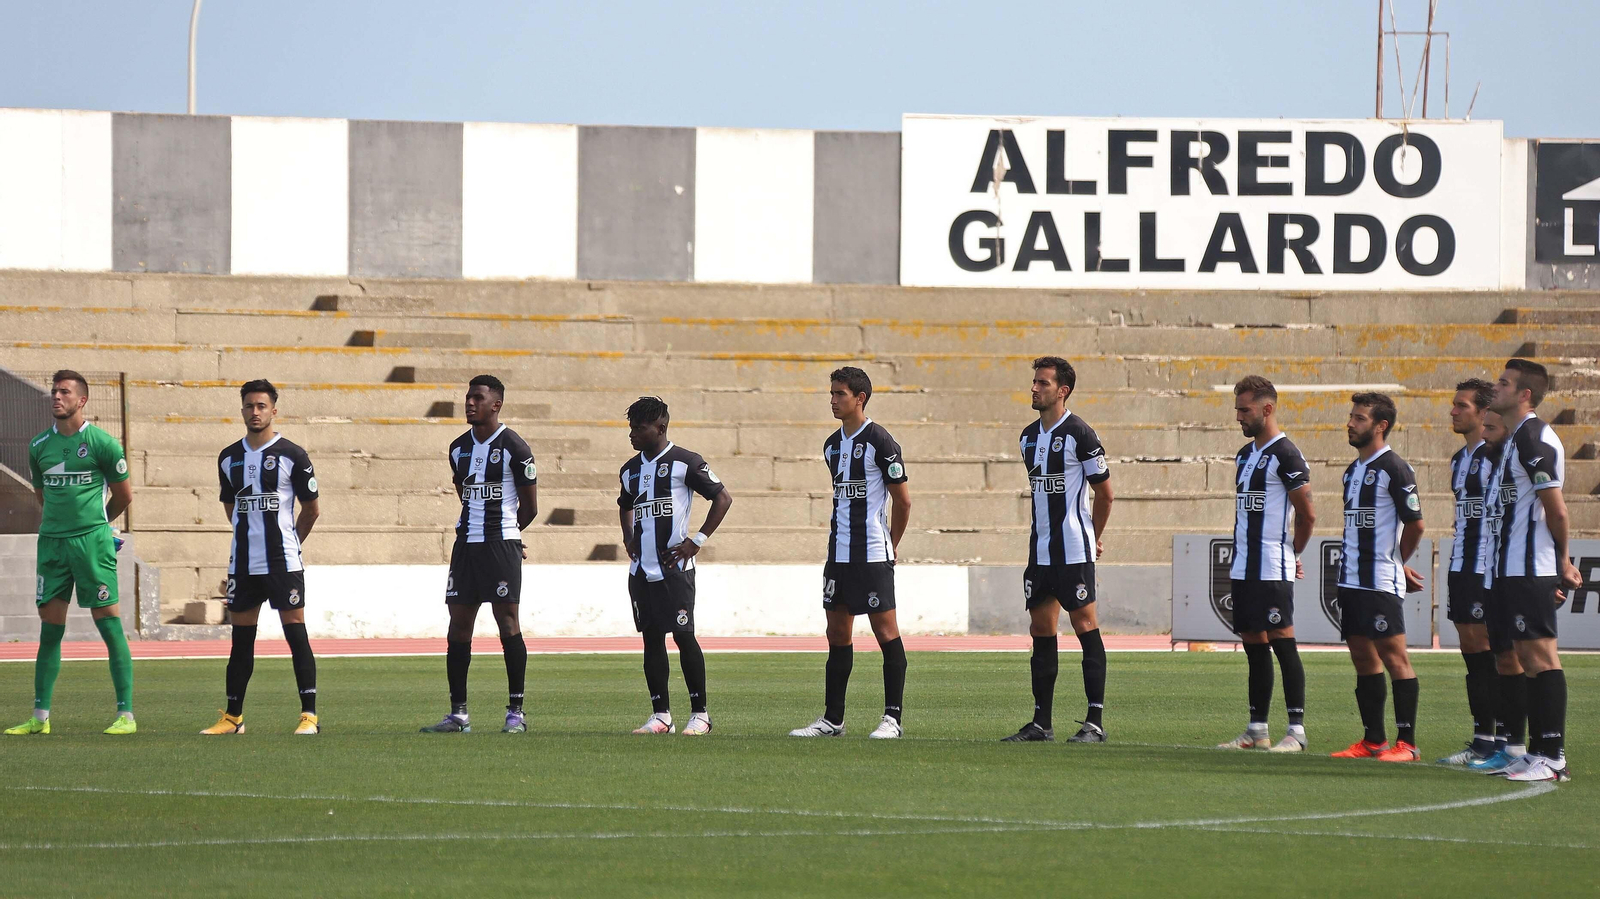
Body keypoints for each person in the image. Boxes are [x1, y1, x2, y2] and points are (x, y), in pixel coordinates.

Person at [6, 370, 136, 736]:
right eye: (54, 391)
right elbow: (42, 495)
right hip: (52, 544)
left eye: (64, 392)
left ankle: (126, 715)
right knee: (50, 629)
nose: (56, 397)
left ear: (82, 401)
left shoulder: (103, 444)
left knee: (108, 623)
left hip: (92, 543)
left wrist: (99, 526)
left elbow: (124, 496)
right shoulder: (38, 447)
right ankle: (40, 718)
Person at [790, 367, 912, 739]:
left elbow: (903, 501)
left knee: (885, 631)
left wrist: (891, 542)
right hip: (838, 554)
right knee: (837, 633)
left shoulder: (881, 442)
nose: (833, 400)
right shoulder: (831, 445)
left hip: (872, 553)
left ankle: (892, 719)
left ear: (860, 398)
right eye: (831, 393)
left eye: (840, 394)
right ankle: (833, 720)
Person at [1002, 356, 1114, 743]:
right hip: (1040, 552)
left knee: (1085, 626)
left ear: (1062, 390)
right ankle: (1041, 723)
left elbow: (1105, 493)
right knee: (1040, 630)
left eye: (1043, 383)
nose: (1034, 388)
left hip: (1073, 550)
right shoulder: (1027, 437)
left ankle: (1094, 723)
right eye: (1034, 382)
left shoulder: (1081, 433)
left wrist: (1091, 535)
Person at [201, 380, 323, 736]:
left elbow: (311, 509)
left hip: (283, 562)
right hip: (243, 563)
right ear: (242, 410)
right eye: (249, 406)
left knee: (295, 635)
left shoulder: (292, 455)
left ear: (274, 410)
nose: (255, 412)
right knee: (241, 641)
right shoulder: (228, 457)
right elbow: (231, 507)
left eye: (261, 406)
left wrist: (291, 543)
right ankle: (233, 717)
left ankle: (309, 716)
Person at [1478, 360, 1579, 783]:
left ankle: (1552, 755)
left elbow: (1555, 509)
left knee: (1540, 658)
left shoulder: (1535, 438)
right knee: (1523, 658)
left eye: (1503, 383)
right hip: (1507, 568)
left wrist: (1563, 560)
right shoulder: (1516, 438)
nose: (1494, 388)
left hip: (1528, 568)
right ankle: (1536, 750)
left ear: (1524, 395)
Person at [421, 375, 538, 734]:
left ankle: (515, 712)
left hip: (500, 545)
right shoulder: (458, 448)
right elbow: (464, 491)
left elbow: (530, 507)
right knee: (458, 627)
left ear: (496, 404)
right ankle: (459, 714)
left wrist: (509, 535)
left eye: (477, 398)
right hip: (465, 548)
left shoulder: (516, 448)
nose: (469, 403)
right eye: (468, 397)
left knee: (507, 624)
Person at [618, 396, 733, 736]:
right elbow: (624, 504)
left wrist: (697, 540)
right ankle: (661, 715)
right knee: (652, 640)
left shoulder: (685, 462)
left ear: (661, 428)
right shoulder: (630, 469)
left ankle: (700, 714)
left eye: (639, 428)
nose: (633, 435)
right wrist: (628, 536)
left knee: (683, 635)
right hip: (642, 571)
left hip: (675, 570)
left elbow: (722, 498)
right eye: (631, 428)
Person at [1216, 376, 1315, 753]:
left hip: (1272, 565)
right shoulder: (1245, 454)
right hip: (1244, 567)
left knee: (1283, 644)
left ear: (1268, 409)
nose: (1239, 416)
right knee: (1254, 646)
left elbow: (1307, 514)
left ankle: (1297, 731)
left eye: (1246, 410)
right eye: (1238, 409)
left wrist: (1292, 554)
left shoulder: (1286, 454)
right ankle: (1257, 729)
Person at [1329, 393, 1425, 763]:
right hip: (1351, 580)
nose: (1350, 423)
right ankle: (1373, 740)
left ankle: (1408, 744)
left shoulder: (1395, 468)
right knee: (1362, 659)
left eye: (1359, 418)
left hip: (1380, 581)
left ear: (1380, 425)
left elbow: (1415, 524)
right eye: (1351, 416)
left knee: (1394, 656)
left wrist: (1396, 560)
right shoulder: (1352, 471)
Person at [1436, 379, 1499, 765]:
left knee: (1496, 653)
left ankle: (1507, 741)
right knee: (1472, 654)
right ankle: (1482, 739)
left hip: (1488, 567)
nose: (1453, 411)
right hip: (1461, 564)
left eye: (1461, 406)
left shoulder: (1500, 456)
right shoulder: (1460, 460)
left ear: (1483, 412)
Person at [1466, 409, 1533, 772]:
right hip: (1494, 574)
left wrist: (1557, 567)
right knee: (1503, 659)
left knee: (1529, 661)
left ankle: (1539, 749)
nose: (1485, 435)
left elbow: (1548, 509)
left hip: (1521, 573)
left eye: (1490, 428)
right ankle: (1508, 748)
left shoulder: (1520, 460)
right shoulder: (1489, 464)